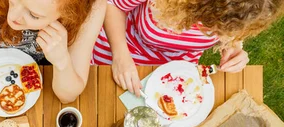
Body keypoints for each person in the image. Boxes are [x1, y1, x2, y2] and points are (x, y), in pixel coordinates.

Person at [93, 0, 283, 96]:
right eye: (209, 21)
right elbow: (112, 4)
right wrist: (120, 56)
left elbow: (232, 31)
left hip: (178, 68)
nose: (209, 31)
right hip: (121, 45)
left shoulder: (241, 10)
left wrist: (233, 45)